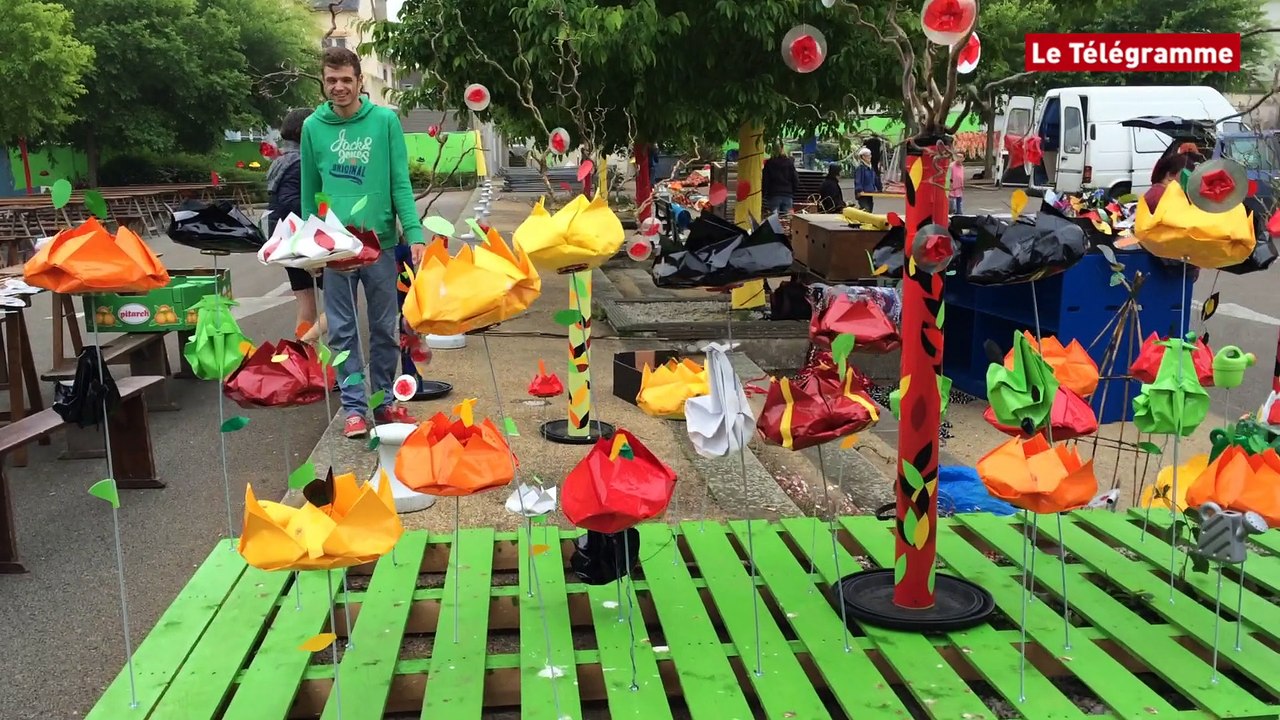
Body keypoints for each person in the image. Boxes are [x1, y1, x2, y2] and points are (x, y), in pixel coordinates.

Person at [300, 47, 426, 438]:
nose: (338, 87)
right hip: (336, 248)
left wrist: (414, 233)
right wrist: (311, 245)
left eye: (345, 79)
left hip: (380, 244)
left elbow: (400, 182)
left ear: (359, 81)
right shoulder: (312, 127)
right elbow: (310, 191)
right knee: (341, 330)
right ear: (323, 82)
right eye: (331, 80)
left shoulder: (384, 122)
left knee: (385, 328)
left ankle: (383, 403)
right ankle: (354, 409)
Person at [266, 108, 322, 340]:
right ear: (303, 131)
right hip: (302, 240)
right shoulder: (300, 161)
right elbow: (291, 203)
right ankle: (305, 344)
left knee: (306, 301)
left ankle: (304, 354)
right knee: (340, 302)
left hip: (284, 238)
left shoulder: (280, 160)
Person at [1143, 143, 1204, 211]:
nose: (1187, 180)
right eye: (1185, 175)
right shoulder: (1161, 195)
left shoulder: (1159, 192)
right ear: (1170, 175)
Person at [761, 144, 800, 217]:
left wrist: (763, 194)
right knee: (787, 220)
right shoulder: (789, 163)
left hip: (773, 195)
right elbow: (795, 180)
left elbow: (765, 180)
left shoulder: (769, 163)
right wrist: (792, 191)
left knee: (774, 220)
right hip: (787, 196)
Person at [853, 147, 881, 211]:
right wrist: (859, 190)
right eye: (868, 155)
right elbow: (858, 181)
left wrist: (880, 188)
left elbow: (875, 179)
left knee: (870, 208)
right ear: (863, 157)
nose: (870, 157)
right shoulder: (860, 168)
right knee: (866, 210)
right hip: (863, 194)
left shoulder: (870, 167)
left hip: (870, 193)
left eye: (870, 155)